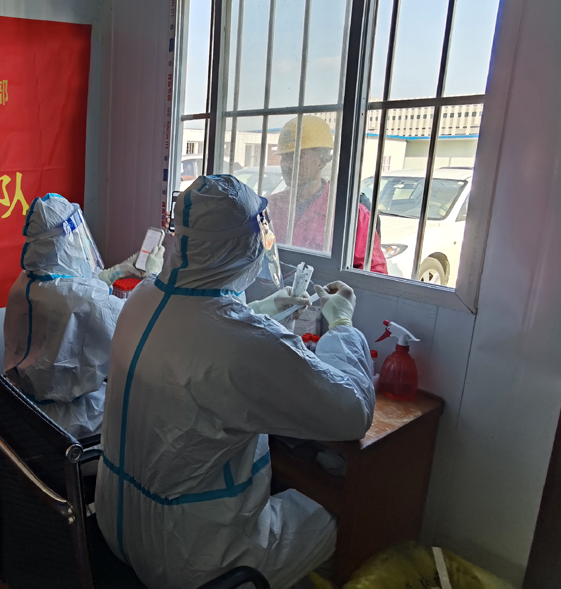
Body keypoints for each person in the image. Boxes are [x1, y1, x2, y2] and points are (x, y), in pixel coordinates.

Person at [95, 175, 376, 589]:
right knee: (345, 511)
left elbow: (198, 329)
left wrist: (262, 309)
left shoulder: (142, 297)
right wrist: (342, 326)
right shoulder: (245, 344)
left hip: (115, 523)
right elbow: (353, 411)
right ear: (243, 247)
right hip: (195, 558)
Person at [4, 194, 164, 439]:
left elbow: (70, 286)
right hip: (74, 421)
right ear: (64, 243)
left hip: (25, 408)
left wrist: (120, 271)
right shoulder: (85, 300)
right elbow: (135, 326)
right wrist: (153, 278)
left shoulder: (25, 282)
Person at [268, 115, 387, 273]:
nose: (287, 165)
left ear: (323, 159)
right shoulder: (269, 208)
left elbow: (374, 275)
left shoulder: (351, 216)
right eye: (284, 157)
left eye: (298, 156)